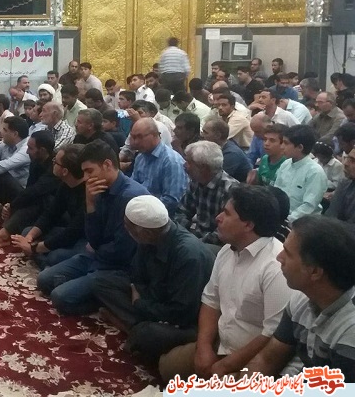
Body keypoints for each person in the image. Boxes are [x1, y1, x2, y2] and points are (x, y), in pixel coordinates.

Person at [159, 185, 294, 382]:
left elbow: (272, 335)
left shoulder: (275, 267)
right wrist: (204, 347)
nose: (218, 218)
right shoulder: (227, 250)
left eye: (227, 213)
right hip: (220, 343)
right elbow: (211, 301)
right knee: (167, 368)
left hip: (252, 361)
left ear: (248, 225)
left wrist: (226, 365)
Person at [93, 195, 214, 363]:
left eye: (128, 227)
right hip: (153, 300)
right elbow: (137, 276)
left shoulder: (188, 256)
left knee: (147, 335)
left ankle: (134, 328)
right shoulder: (148, 239)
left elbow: (181, 313)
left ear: (146, 232)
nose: (125, 230)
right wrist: (140, 295)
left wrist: (139, 304)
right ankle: (135, 327)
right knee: (100, 282)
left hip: (184, 321)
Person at [32, 141, 149, 315]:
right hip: (97, 256)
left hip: (119, 267)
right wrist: (90, 203)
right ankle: (88, 288)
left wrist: (95, 249)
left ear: (107, 165)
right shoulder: (98, 190)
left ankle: (107, 301)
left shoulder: (130, 197)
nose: (86, 178)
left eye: (89, 171)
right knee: (44, 279)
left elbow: (122, 250)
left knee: (60, 297)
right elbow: (92, 237)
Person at [247, 216, 355, 381]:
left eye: (288, 253)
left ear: (315, 272)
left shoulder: (350, 332)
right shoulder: (302, 298)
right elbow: (267, 360)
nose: (279, 257)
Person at [0, 130, 59, 250]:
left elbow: (36, 191)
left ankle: (4, 235)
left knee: (40, 199)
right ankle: (5, 225)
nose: (27, 152)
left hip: (50, 209)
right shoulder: (36, 161)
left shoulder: (55, 167)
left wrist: (12, 205)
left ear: (42, 150)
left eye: (30, 148)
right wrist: (11, 205)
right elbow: (29, 189)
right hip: (34, 200)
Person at [175, 140, 239, 247]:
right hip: (194, 238)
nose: (184, 165)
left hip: (218, 245)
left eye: (189, 162)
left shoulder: (231, 190)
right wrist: (184, 235)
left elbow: (225, 232)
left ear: (203, 167)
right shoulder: (195, 182)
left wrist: (194, 243)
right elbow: (182, 211)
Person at [130, 118, 189, 215]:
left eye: (140, 137)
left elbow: (172, 200)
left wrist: (143, 210)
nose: (136, 142)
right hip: (140, 210)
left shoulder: (171, 161)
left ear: (155, 135)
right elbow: (133, 186)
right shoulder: (140, 157)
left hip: (161, 216)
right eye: (133, 137)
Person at [274, 124, 327, 222]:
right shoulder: (285, 164)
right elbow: (276, 192)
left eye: (286, 143)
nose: (281, 147)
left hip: (304, 223)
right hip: (280, 216)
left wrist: (287, 220)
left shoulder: (315, 172)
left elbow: (309, 206)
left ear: (300, 147)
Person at [201, 118, 252, 183]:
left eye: (205, 132)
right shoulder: (217, 148)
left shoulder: (231, 154)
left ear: (217, 135)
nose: (202, 135)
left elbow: (216, 179)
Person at [326, 147, 355, 223]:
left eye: (353, 161)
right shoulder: (345, 183)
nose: (345, 163)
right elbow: (331, 214)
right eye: (347, 158)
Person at [312, 140, 345, 205]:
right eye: (318, 157)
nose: (321, 159)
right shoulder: (315, 162)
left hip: (329, 192)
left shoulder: (337, 165)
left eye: (323, 157)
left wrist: (321, 181)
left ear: (329, 156)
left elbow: (336, 184)